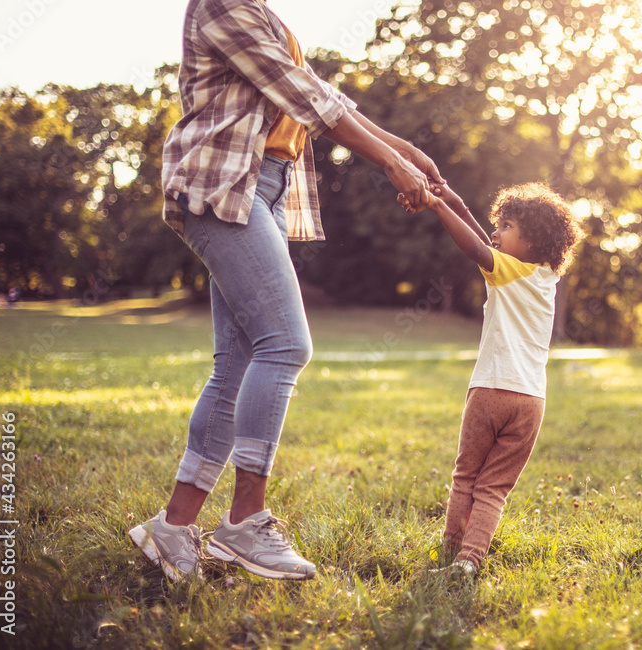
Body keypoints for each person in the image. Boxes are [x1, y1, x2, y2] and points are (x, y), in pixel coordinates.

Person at [129, 0, 439, 582]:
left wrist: (408, 151)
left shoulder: (265, 15)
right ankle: (245, 523)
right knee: (286, 345)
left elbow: (326, 96)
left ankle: (172, 529)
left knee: (238, 363)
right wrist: (392, 163)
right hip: (226, 183)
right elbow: (307, 97)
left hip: (263, 189)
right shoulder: (222, 5)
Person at [399, 181, 584, 578]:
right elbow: (484, 241)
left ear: (531, 241)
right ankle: (469, 561)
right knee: (494, 488)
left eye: (507, 226)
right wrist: (454, 199)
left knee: (466, 476)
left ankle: (450, 550)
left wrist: (436, 206)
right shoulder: (544, 277)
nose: (496, 233)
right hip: (531, 402)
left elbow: (476, 248)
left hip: (491, 389)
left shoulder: (506, 271)